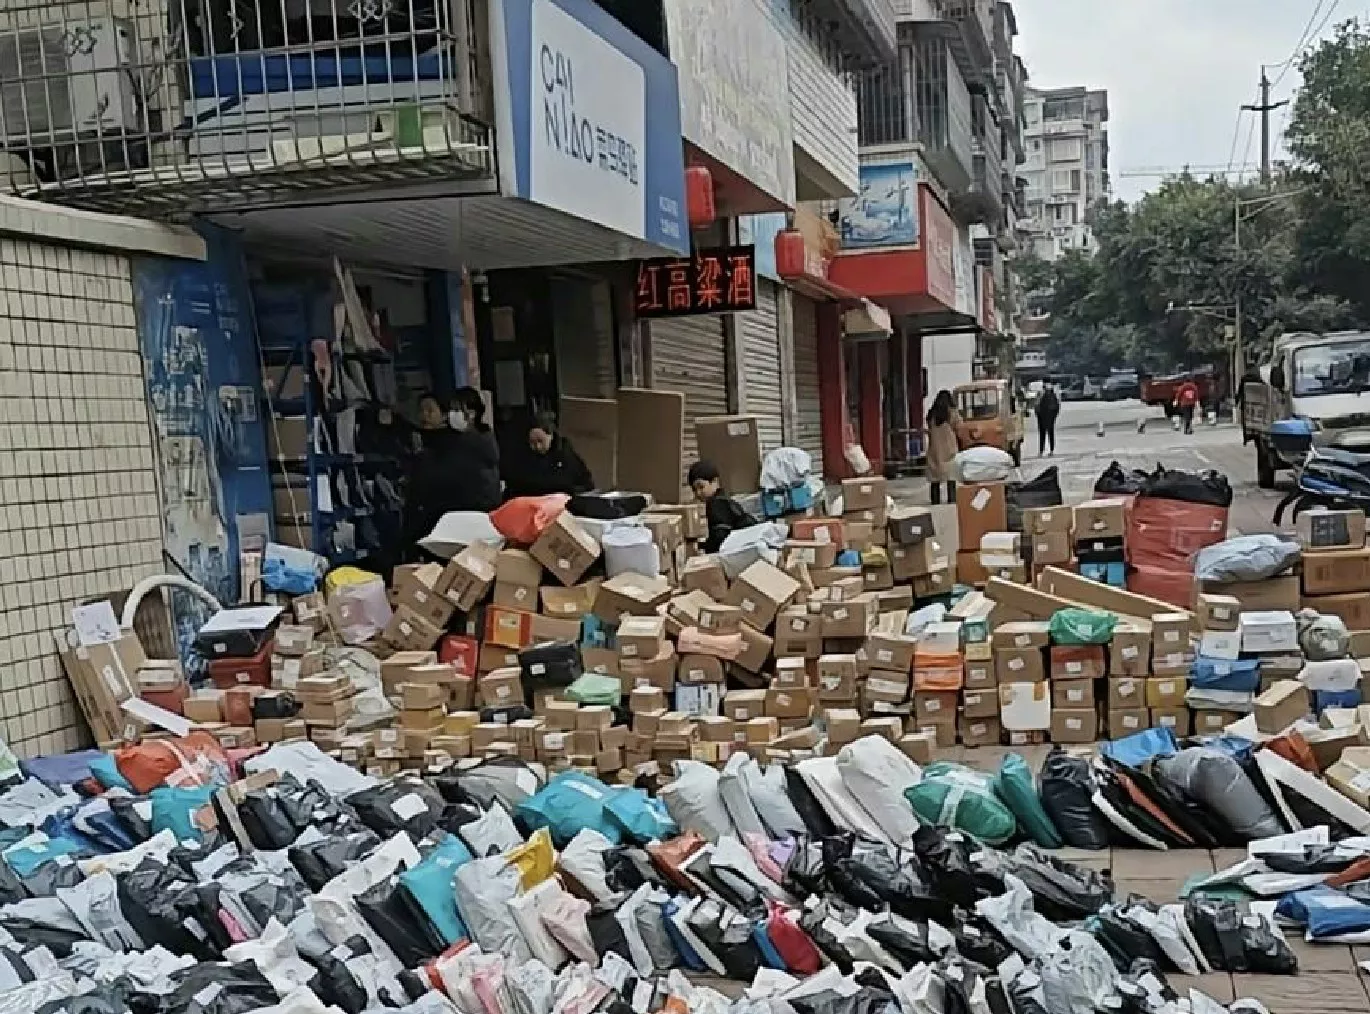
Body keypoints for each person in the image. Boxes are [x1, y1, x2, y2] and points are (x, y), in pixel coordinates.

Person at [405, 387, 501, 550]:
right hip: (454, 524)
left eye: (458, 410)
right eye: (452, 409)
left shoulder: (473, 445)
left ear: (472, 413)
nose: (452, 414)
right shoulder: (450, 443)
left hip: (465, 525)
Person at [502, 412, 595, 498]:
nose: (537, 446)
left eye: (540, 441)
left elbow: (585, 484)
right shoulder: (522, 458)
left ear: (550, 436)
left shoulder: (566, 455)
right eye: (532, 442)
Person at [689, 460, 759, 553]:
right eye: (694, 489)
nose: (698, 493)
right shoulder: (723, 500)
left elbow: (720, 538)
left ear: (715, 482)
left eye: (701, 487)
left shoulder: (716, 504)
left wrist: (703, 547)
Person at [925, 389, 962, 505]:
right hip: (949, 447)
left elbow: (929, 428)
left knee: (934, 478)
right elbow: (959, 426)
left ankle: (935, 500)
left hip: (935, 449)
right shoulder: (952, 413)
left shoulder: (931, 414)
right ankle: (952, 498)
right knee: (951, 475)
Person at [1035, 382, 1061, 457]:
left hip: (1042, 418)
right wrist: (1054, 417)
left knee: (1042, 435)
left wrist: (1038, 416)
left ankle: (1041, 451)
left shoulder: (1041, 394)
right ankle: (1051, 450)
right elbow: (1057, 407)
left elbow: (1036, 406)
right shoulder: (1054, 395)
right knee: (1051, 434)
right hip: (1050, 418)